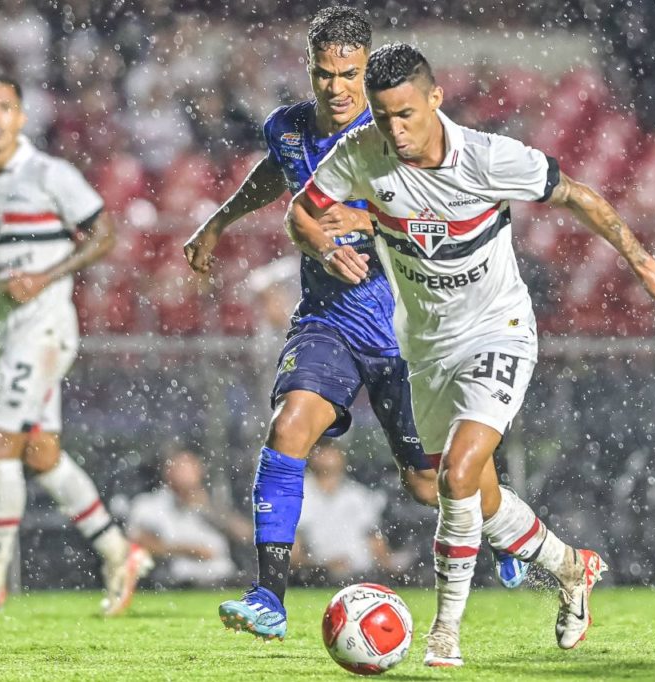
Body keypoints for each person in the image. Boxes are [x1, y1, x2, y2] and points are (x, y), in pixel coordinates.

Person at [285, 43, 655, 667]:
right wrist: (325, 247)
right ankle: (570, 567)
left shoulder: (490, 158)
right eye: (384, 116)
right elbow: (300, 213)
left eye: (407, 114)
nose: (395, 129)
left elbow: (578, 195)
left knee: (457, 474)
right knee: (469, 497)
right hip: (425, 350)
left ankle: (446, 634)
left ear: (436, 99)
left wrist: (642, 260)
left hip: (498, 331)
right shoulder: (362, 155)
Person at [182, 7, 523, 642]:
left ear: (367, 70)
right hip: (330, 321)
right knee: (288, 430)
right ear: (309, 71)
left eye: (349, 73)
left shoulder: (397, 132)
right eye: (324, 74)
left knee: (431, 485)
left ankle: (505, 530)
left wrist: (372, 225)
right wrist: (219, 222)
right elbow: (278, 177)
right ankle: (270, 596)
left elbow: (454, 204)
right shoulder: (286, 129)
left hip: (408, 331)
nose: (337, 88)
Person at [0, 74, 152, 616]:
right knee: (40, 452)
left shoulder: (50, 173)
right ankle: (119, 550)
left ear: (21, 116)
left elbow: (104, 234)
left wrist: (45, 277)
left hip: (44, 325)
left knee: (1, 442)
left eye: (6, 107)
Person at [128, 448, 249, 587]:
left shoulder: (213, 503)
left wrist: (208, 509)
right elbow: (137, 541)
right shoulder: (151, 504)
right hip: (180, 582)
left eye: (190, 467)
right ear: (167, 472)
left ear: (201, 472)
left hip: (226, 579)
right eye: (179, 467)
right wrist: (186, 550)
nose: (185, 473)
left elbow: (245, 534)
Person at [292, 440, 398, 581]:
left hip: (364, 575)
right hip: (317, 576)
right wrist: (322, 566)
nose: (327, 456)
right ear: (310, 456)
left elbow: (375, 541)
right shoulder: (297, 494)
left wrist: (391, 570)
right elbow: (293, 551)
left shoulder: (358, 495)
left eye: (332, 451)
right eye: (322, 452)